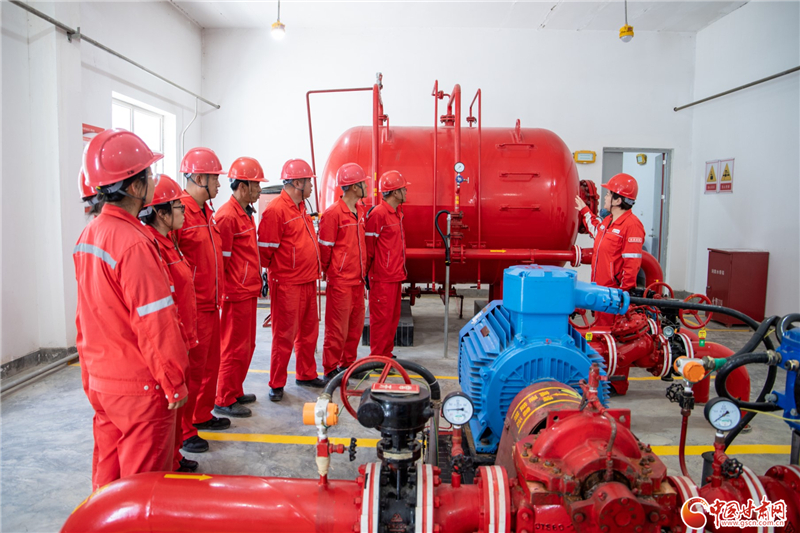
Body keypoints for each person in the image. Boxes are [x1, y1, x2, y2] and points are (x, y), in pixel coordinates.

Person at [74, 129, 188, 490]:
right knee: (141, 490)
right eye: (149, 174)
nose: (154, 180)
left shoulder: (89, 235)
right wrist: (174, 382)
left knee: (108, 481)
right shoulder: (134, 243)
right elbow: (155, 323)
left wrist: (89, 375)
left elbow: (85, 317)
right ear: (136, 187)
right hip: (139, 387)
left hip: (103, 381)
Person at [139, 174, 200, 473]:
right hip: (172, 337)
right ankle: (168, 464)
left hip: (183, 335)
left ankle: (175, 457)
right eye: (178, 207)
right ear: (161, 214)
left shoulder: (169, 242)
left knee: (178, 406)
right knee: (168, 406)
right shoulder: (153, 249)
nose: (184, 211)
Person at [174, 147, 229, 454]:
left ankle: (202, 415)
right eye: (214, 178)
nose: (219, 184)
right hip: (193, 306)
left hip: (212, 303)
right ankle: (184, 431)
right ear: (198, 178)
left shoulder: (206, 212)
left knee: (210, 366)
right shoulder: (180, 213)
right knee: (194, 371)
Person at [257, 159, 324, 402]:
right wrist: (277, 273)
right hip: (287, 283)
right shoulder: (276, 210)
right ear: (297, 183)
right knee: (284, 336)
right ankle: (276, 383)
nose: (311, 187)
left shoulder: (301, 207)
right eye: (309, 182)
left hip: (307, 280)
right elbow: (265, 251)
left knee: (308, 332)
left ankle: (306, 374)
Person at [575, 173, 645, 394]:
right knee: (602, 336)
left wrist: (622, 296)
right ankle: (602, 378)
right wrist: (584, 210)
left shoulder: (632, 226)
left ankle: (616, 383)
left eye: (608, 194)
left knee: (615, 338)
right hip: (600, 292)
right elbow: (596, 229)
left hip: (613, 294)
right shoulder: (608, 222)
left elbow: (631, 264)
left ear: (618, 199)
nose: (605, 198)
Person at [214, 157, 267, 417]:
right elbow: (221, 262)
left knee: (246, 346)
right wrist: (225, 292)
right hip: (235, 293)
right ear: (243, 186)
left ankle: (234, 389)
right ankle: (223, 398)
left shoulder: (245, 214)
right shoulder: (227, 216)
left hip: (247, 291)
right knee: (233, 348)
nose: (259, 190)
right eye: (256, 185)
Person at [318, 163, 368, 383]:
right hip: (340, 281)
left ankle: (347, 365)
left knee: (354, 327)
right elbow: (325, 250)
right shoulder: (333, 214)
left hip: (358, 280)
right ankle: (330, 368)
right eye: (363, 183)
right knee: (337, 328)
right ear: (354, 187)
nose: (366, 186)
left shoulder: (360, 211)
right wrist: (330, 272)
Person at [365, 170, 409, 358]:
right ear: (395, 192)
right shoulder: (379, 214)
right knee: (381, 320)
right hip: (382, 278)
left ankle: (386, 355)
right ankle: (377, 358)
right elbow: (369, 247)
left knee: (391, 318)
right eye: (403, 189)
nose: (406, 192)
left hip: (395, 275)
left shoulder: (396, 214)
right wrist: (366, 274)